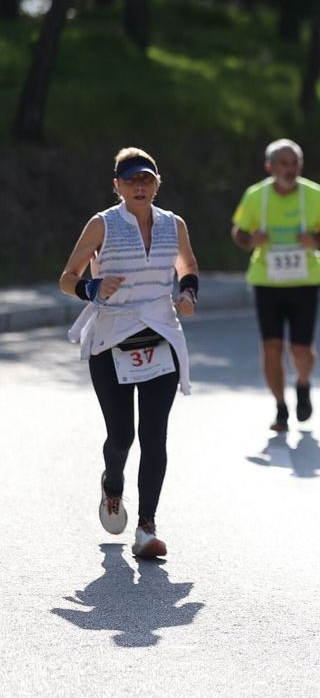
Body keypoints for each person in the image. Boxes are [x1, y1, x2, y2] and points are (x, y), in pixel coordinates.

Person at [59, 148, 199, 559]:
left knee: (154, 434)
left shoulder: (174, 224)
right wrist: (92, 288)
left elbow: (187, 266)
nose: (140, 186)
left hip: (160, 336)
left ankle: (147, 528)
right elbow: (67, 279)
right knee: (122, 435)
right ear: (117, 185)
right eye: (132, 180)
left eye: (147, 179)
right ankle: (112, 483)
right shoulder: (103, 224)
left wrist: (187, 293)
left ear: (158, 183)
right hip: (112, 339)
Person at [230, 139, 320, 431]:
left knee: (301, 349)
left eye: (295, 163)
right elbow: (239, 231)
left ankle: (303, 383)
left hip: (305, 280)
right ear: (270, 166)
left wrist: (316, 240)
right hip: (268, 280)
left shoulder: (315, 194)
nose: (290, 170)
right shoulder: (256, 196)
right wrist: (250, 241)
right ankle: (280, 408)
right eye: (284, 164)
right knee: (271, 347)